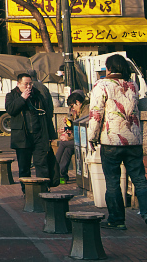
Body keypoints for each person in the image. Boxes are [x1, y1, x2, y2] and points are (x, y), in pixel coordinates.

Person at [88, 54, 147, 230]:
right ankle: (146, 213)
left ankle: (117, 219)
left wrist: (92, 137)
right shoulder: (132, 85)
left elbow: (96, 113)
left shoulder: (102, 85)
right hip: (133, 140)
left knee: (113, 181)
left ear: (109, 68)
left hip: (111, 140)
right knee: (140, 180)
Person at [6, 72, 51, 181]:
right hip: (22, 137)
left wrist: (50, 134)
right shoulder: (11, 96)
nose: (28, 87)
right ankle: (27, 191)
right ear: (18, 84)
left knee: (41, 164)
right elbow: (11, 110)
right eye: (26, 84)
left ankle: (43, 189)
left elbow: (47, 115)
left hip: (38, 135)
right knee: (24, 167)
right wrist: (22, 99)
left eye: (30, 84)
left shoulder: (38, 95)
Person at [56, 92, 88, 184]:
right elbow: (76, 128)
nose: (72, 109)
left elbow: (82, 130)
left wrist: (68, 137)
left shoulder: (86, 110)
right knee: (68, 150)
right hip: (80, 139)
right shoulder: (79, 111)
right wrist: (67, 128)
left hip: (84, 140)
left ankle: (54, 167)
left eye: (72, 106)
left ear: (77, 102)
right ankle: (62, 175)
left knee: (63, 143)